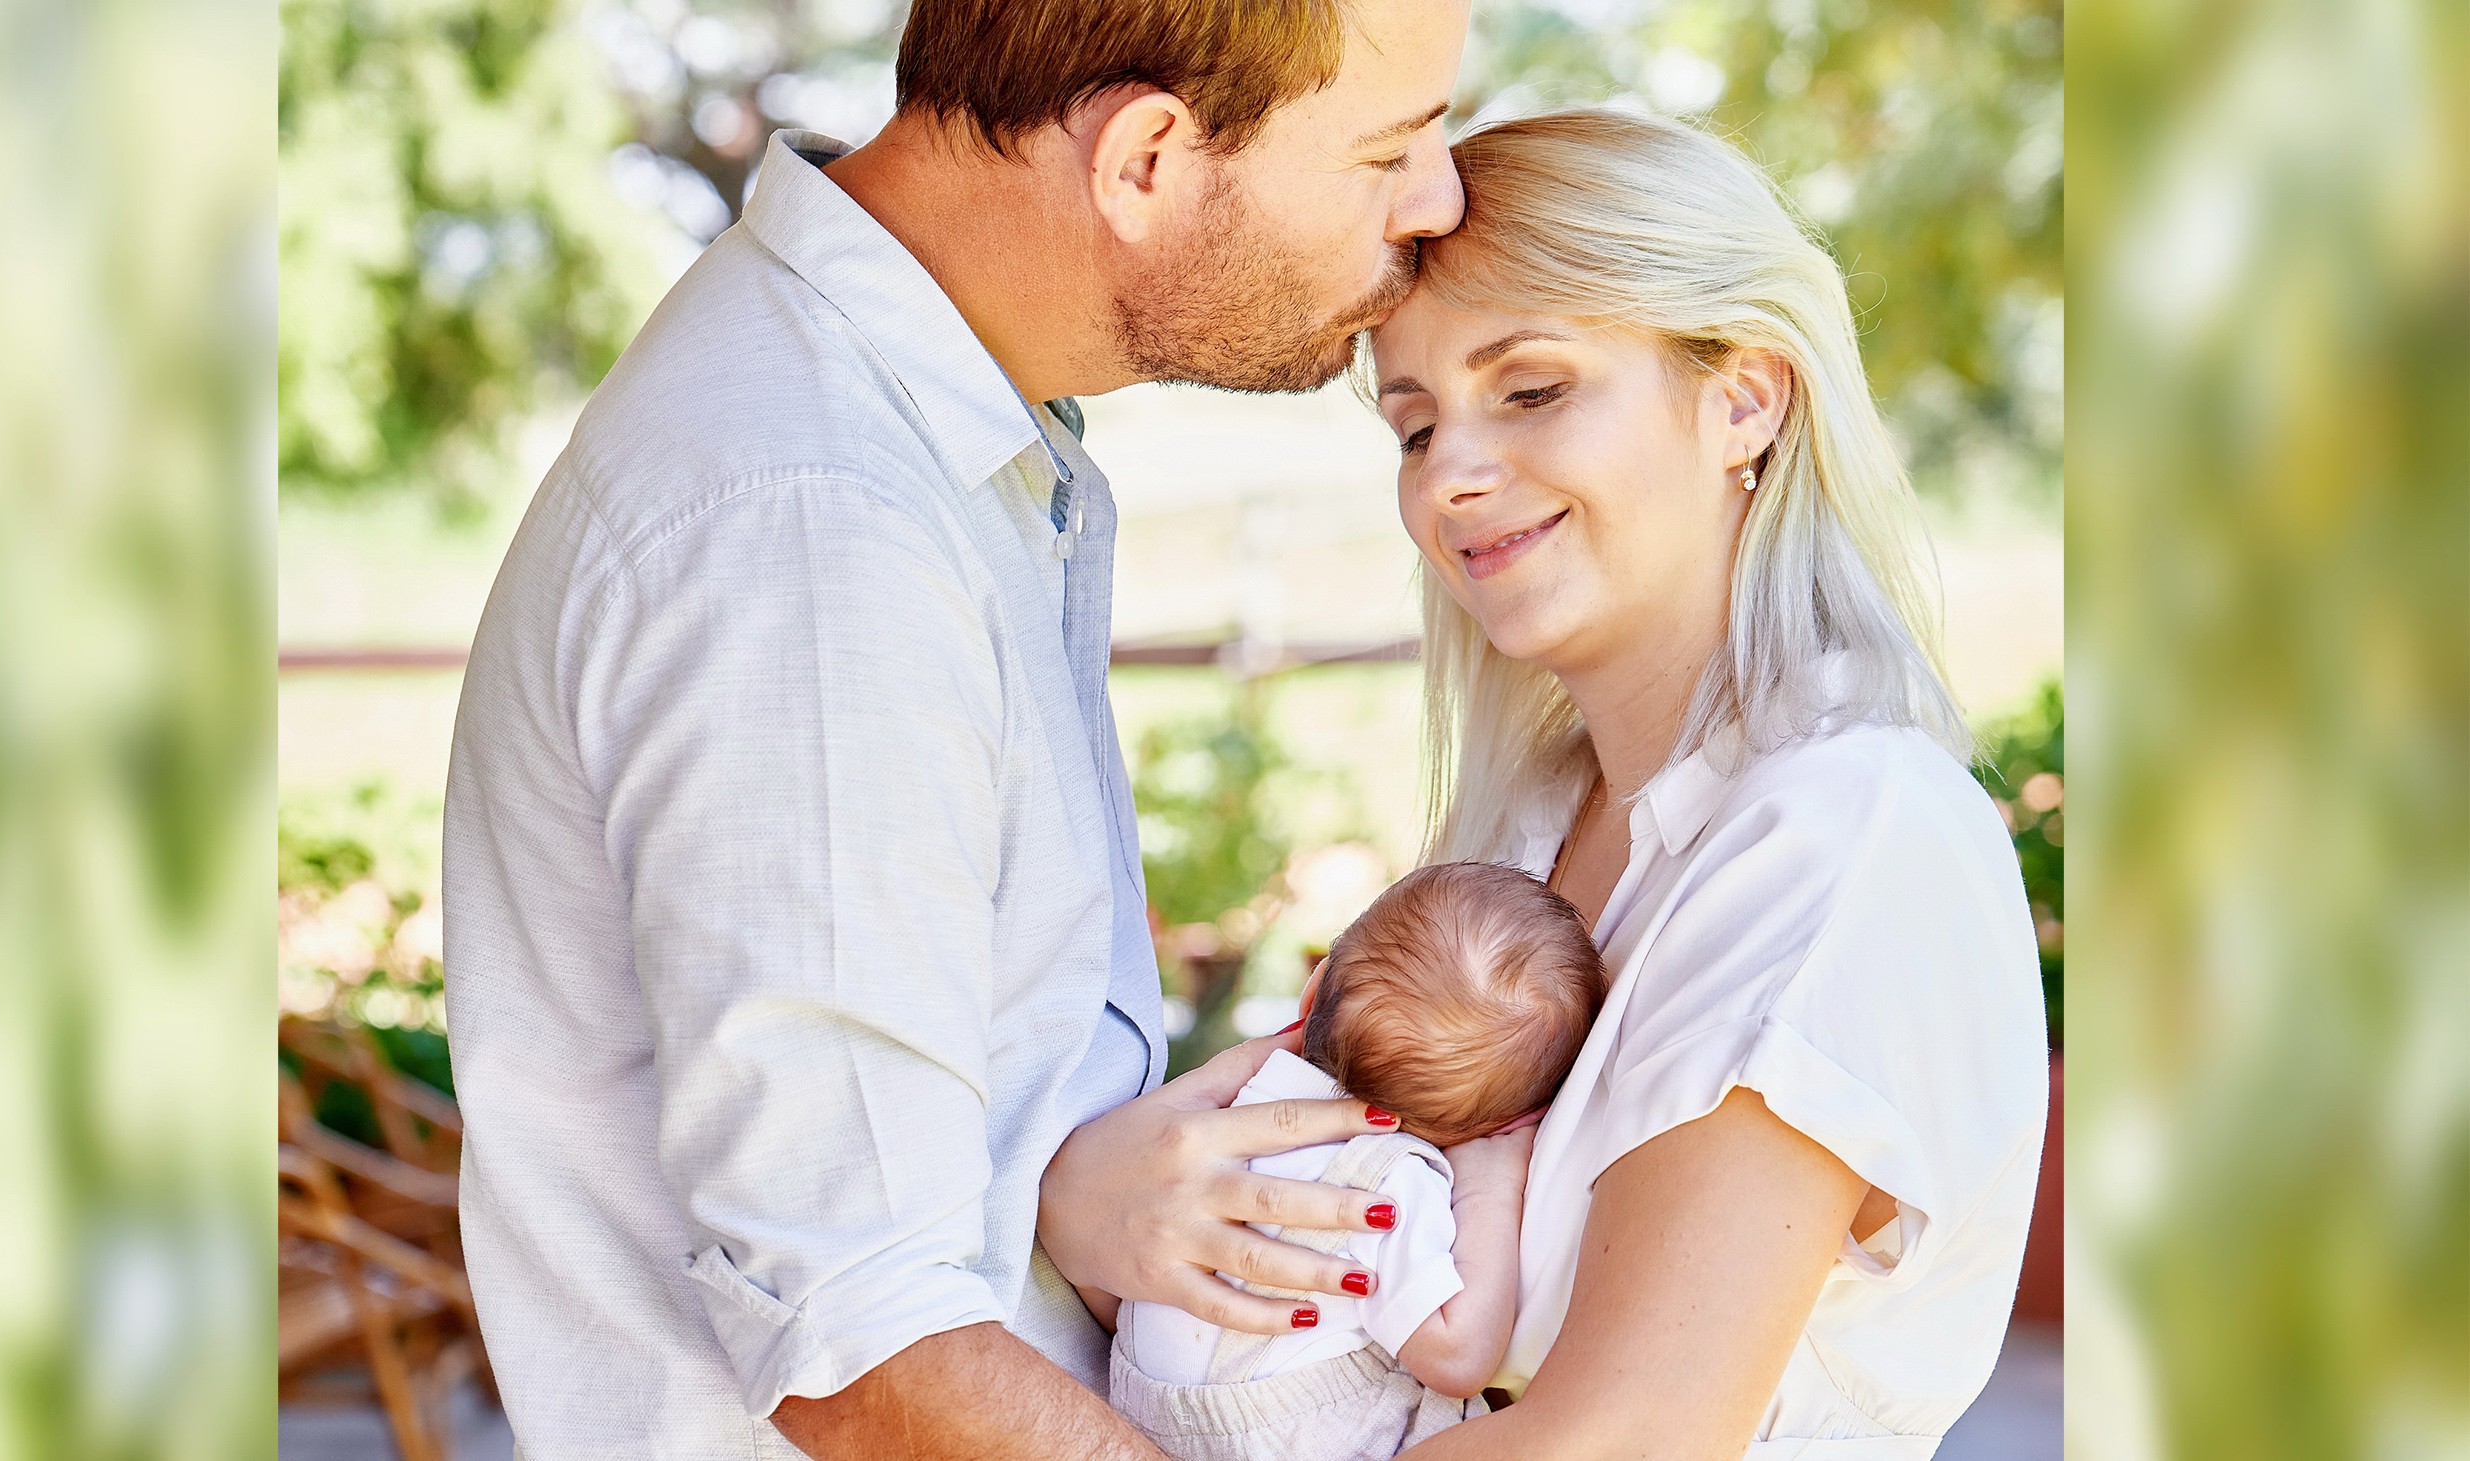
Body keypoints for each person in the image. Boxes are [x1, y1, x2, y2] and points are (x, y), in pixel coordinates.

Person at [440, 1, 1469, 1457]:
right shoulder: (815, 522)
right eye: (1388, 148)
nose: (1437, 197)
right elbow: (863, 1343)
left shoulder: (910, 437)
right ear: (1146, 160)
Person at [1367, 108, 2050, 1457]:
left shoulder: (1846, 835)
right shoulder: (1525, 830)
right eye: (1411, 425)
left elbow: (1614, 1439)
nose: (1449, 470)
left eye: (1530, 387)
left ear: (1741, 398)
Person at [1110, 863, 1602, 1460]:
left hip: (1130, 1410)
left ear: (1312, 991)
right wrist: (1492, 1185)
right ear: (1505, 1126)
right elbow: (1457, 1356)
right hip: (1282, 1438)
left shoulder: (1228, 1110)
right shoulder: (1391, 1181)